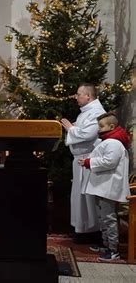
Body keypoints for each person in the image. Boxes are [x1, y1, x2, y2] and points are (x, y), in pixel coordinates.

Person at [78, 112, 130, 261]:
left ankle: (113, 250)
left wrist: (89, 162)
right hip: (103, 186)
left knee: (108, 218)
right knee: (103, 217)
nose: (99, 129)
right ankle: (106, 244)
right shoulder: (109, 141)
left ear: (111, 126)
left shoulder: (113, 142)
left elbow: (109, 161)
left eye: (101, 126)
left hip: (108, 187)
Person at [61, 83, 106, 243]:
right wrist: (73, 128)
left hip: (89, 158)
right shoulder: (86, 112)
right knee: (80, 196)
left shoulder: (96, 112)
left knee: (88, 196)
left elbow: (88, 134)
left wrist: (71, 129)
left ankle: (92, 231)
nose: (76, 97)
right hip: (80, 159)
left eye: (79, 94)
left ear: (88, 96)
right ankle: (82, 229)